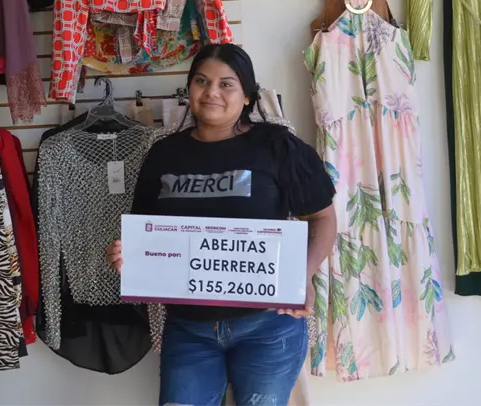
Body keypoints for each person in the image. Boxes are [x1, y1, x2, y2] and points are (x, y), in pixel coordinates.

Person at [105, 44, 337, 406]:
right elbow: (144, 232)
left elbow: (322, 217)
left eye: (226, 84)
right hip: (188, 329)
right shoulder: (163, 154)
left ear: (247, 96)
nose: (211, 91)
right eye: (201, 81)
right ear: (190, 88)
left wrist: (303, 276)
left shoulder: (278, 147)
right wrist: (127, 255)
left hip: (267, 325)